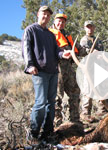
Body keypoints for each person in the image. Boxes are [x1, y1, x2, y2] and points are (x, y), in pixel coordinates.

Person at [22, 6, 71, 144]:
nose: (46, 16)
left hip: (53, 72)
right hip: (40, 72)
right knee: (40, 103)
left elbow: (57, 51)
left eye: (49, 15)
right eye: (44, 14)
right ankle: (34, 134)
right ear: (38, 14)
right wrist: (30, 65)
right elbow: (26, 49)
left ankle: (48, 132)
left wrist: (63, 54)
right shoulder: (31, 30)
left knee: (51, 103)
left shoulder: (50, 34)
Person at [48, 13, 83, 126]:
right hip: (56, 68)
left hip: (69, 68)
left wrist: (92, 52)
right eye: (59, 21)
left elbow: (79, 49)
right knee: (57, 96)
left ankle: (74, 120)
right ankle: (56, 124)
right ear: (54, 21)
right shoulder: (48, 34)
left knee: (75, 92)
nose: (60, 23)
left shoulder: (67, 36)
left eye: (63, 22)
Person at [80, 20, 107, 122]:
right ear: (85, 28)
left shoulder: (98, 40)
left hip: (99, 67)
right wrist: (93, 52)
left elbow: (103, 52)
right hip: (88, 68)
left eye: (91, 27)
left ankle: (102, 110)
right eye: (88, 27)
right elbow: (83, 51)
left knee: (101, 88)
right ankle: (85, 113)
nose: (89, 29)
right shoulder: (83, 40)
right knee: (88, 90)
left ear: (94, 28)